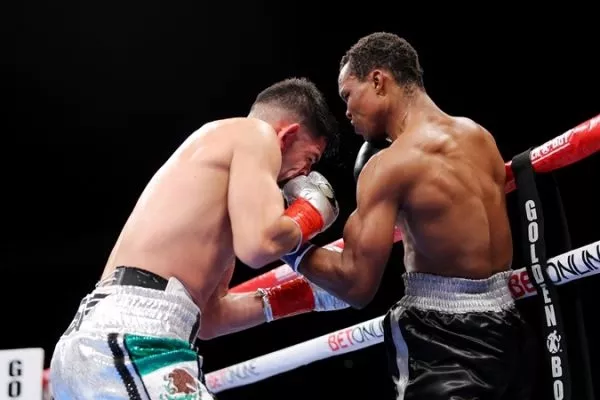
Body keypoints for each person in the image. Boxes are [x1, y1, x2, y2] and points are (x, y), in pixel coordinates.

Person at [49, 77, 351, 399]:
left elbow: (211, 319)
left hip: (102, 341)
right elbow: (259, 246)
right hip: (132, 339)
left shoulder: (218, 190)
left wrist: (306, 294)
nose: (304, 175)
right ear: (287, 135)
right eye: (310, 160)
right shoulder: (256, 134)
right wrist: (312, 211)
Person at [285, 33, 538, 399]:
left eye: (347, 95)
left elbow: (356, 286)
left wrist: (287, 243)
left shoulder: (390, 165)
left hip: (443, 340)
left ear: (377, 80)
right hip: (511, 329)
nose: (347, 112)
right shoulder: (480, 137)